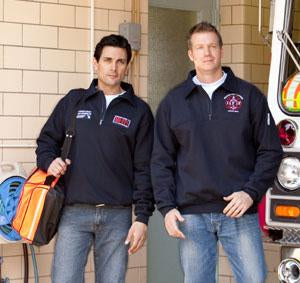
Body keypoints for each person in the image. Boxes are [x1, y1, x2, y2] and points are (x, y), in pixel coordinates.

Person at [151, 22, 283, 283]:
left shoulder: (248, 96)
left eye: (212, 46)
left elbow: (271, 150)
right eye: (200, 47)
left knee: (254, 279)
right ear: (190, 54)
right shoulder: (174, 102)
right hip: (192, 215)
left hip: (238, 210)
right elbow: (160, 160)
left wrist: (250, 193)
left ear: (222, 51)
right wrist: (166, 208)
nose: (207, 52)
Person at [36, 34, 154, 283]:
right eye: (108, 60)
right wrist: (50, 162)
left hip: (118, 217)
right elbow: (46, 143)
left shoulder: (139, 112)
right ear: (95, 62)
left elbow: (145, 168)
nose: (114, 67)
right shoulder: (74, 101)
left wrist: (141, 218)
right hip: (73, 213)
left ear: (127, 66)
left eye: (121, 61)